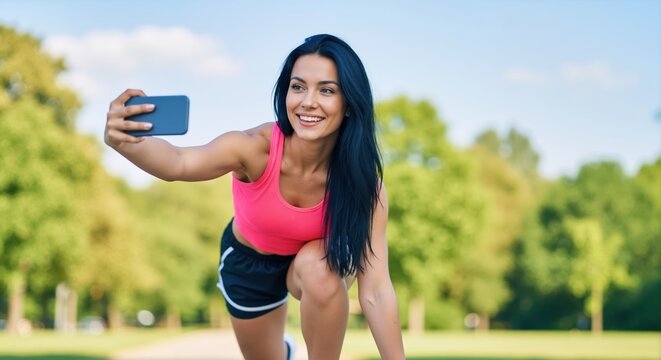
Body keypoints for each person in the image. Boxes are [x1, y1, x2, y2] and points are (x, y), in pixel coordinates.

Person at [104, 34, 405, 360]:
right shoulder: (254, 148)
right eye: (298, 86)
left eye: (327, 90)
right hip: (250, 264)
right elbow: (179, 162)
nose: (308, 101)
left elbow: (375, 289)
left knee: (321, 267)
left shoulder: (364, 186)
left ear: (349, 104)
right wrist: (125, 142)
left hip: (317, 262)